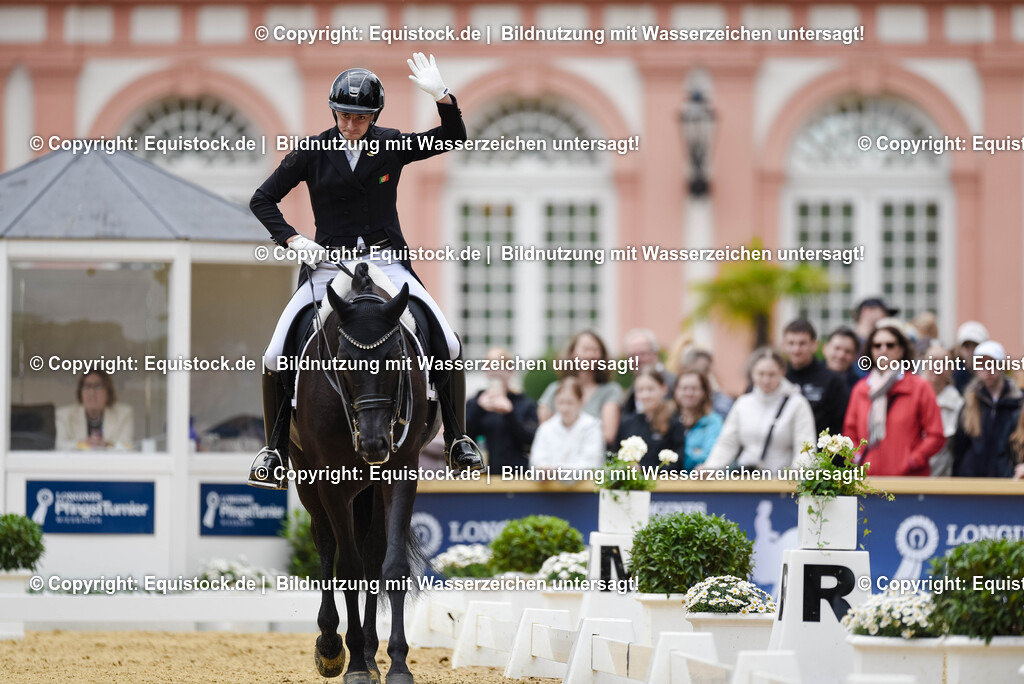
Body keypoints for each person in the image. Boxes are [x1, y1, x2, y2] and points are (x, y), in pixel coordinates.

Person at [247, 54, 484, 489]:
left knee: (447, 341)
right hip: (329, 264)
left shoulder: (390, 143)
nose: (352, 124)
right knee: (275, 351)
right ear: (333, 110)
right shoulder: (312, 151)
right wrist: (294, 239)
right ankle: (275, 450)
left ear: (374, 116)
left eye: (361, 117)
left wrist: (441, 96)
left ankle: (458, 439)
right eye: (344, 115)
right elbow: (262, 199)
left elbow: (453, 136)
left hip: (386, 263)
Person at [843, 323, 945, 476]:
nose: (883, 349)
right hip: (868, 482)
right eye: (877, 345)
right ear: (871, 351)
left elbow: (936, 435)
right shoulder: (861, 389)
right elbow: (849, 433)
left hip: (909, 480)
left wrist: (913, 459)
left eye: (890, 345)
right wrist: (857, 458)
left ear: (901, 350)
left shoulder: (919, 387)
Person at [700, 348, 815, 473]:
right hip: (748, 478)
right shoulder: (743, 403)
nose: (766, 380)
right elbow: (727, 443)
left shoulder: (797, 404)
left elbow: (805, 444)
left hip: (781, 480)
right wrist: (710, 467)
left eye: (771, 374)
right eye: (761, 374)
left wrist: (800, 470)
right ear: (752, 373)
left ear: (782, 372)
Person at [538, 331, 623, 446]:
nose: (590, 355)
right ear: (572, 353)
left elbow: (608, 435)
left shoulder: (610, 390)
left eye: (595, 350)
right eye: (586, 349)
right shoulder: (554, 389)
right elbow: (545, 431)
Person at [952, 341, 1022, 478]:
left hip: (1006, 481)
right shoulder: (969, 404)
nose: (987, 370)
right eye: (981, 364)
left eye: (992, 363)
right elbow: (959, 448)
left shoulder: (1018, 402)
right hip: (972, 481)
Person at [466, 347, 538, 473]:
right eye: (490, 366)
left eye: (500, 366)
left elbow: (531, 440)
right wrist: (479, 409)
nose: (495, 371)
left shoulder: (525, 404)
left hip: (516, 476)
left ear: (510, 371)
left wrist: (509, 414)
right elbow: (464, 438)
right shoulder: (474, 403)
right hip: (480, 476)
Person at [782, 319, 849, 436]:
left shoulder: (832, 381)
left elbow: (842, 427)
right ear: (784, 345)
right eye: (791, 343)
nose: (796, 350)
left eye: (802, 343)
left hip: (820, 452)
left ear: (814, 345)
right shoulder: (777, 378)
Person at [615, 366, 685, 469]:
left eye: (650, 389)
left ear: (664, 389)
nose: (645, 395)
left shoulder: (674, 423)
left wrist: (643, 470)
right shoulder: (627, 423)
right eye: (640, 390)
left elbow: (677, 463)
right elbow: (615, 456)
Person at [530, 378, 605, 472]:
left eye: (570, 403)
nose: (565, 408)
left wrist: (559, 470)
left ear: (580, 402)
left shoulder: (592, 427)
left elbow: (592, 463)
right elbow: (537, 459)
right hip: (549, 486)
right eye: (561, 402)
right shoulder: (546, 428)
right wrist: (543, 468)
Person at [56, 371, 133, 450]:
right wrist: (82, 444)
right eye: (88, 386)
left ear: (108, 391)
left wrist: (106, 445)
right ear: (80, 392)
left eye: (98, 386)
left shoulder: (123, 414)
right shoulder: (64, 415)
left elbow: (127, 446)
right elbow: (58, 445)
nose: (92, 392)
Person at [921, 344, 964, 477]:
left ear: (951, 369)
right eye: (932, 361)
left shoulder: (959, 404)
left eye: (943, 363)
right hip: (911, 474)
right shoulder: (910, 399)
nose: (937, 367)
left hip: (944, 477)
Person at [672, 367, 723, 470]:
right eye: (684, 388)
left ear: (704, 392)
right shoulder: (668, 419)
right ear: (676, 391)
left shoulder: (713, 421)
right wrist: (693, 452)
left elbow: (710, 456)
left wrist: (680, 454)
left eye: (694, 389)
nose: (689, 393)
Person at [620, 329, 675, 415]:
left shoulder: (674, 383)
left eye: (642, 354)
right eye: (632, 356)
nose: (637, 360)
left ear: (655, 353)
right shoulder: (630, 392)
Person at [951, 320, 989, 394]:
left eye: (975, 345)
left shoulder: (992, 373)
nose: (971, 351)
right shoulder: (954, 374)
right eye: (967, 346)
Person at [824, 326, 861, 391]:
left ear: (855, 356)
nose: (841, 355)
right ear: (825, 348)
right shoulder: (810, 376)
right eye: (837, 348)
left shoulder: (858, 386)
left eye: (848, 351)